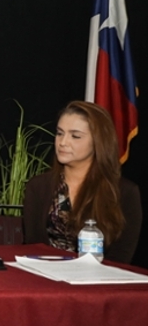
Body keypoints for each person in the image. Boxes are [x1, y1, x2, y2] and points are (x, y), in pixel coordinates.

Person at [23, 101, 141, 264]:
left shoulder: (124, 192)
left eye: (75, 136)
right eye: (59, 133)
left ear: (98, 141)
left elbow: (122, 255)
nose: (63, 142)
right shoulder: (38, 187)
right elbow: (33, 247)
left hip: (101, 283)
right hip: (46, 279)